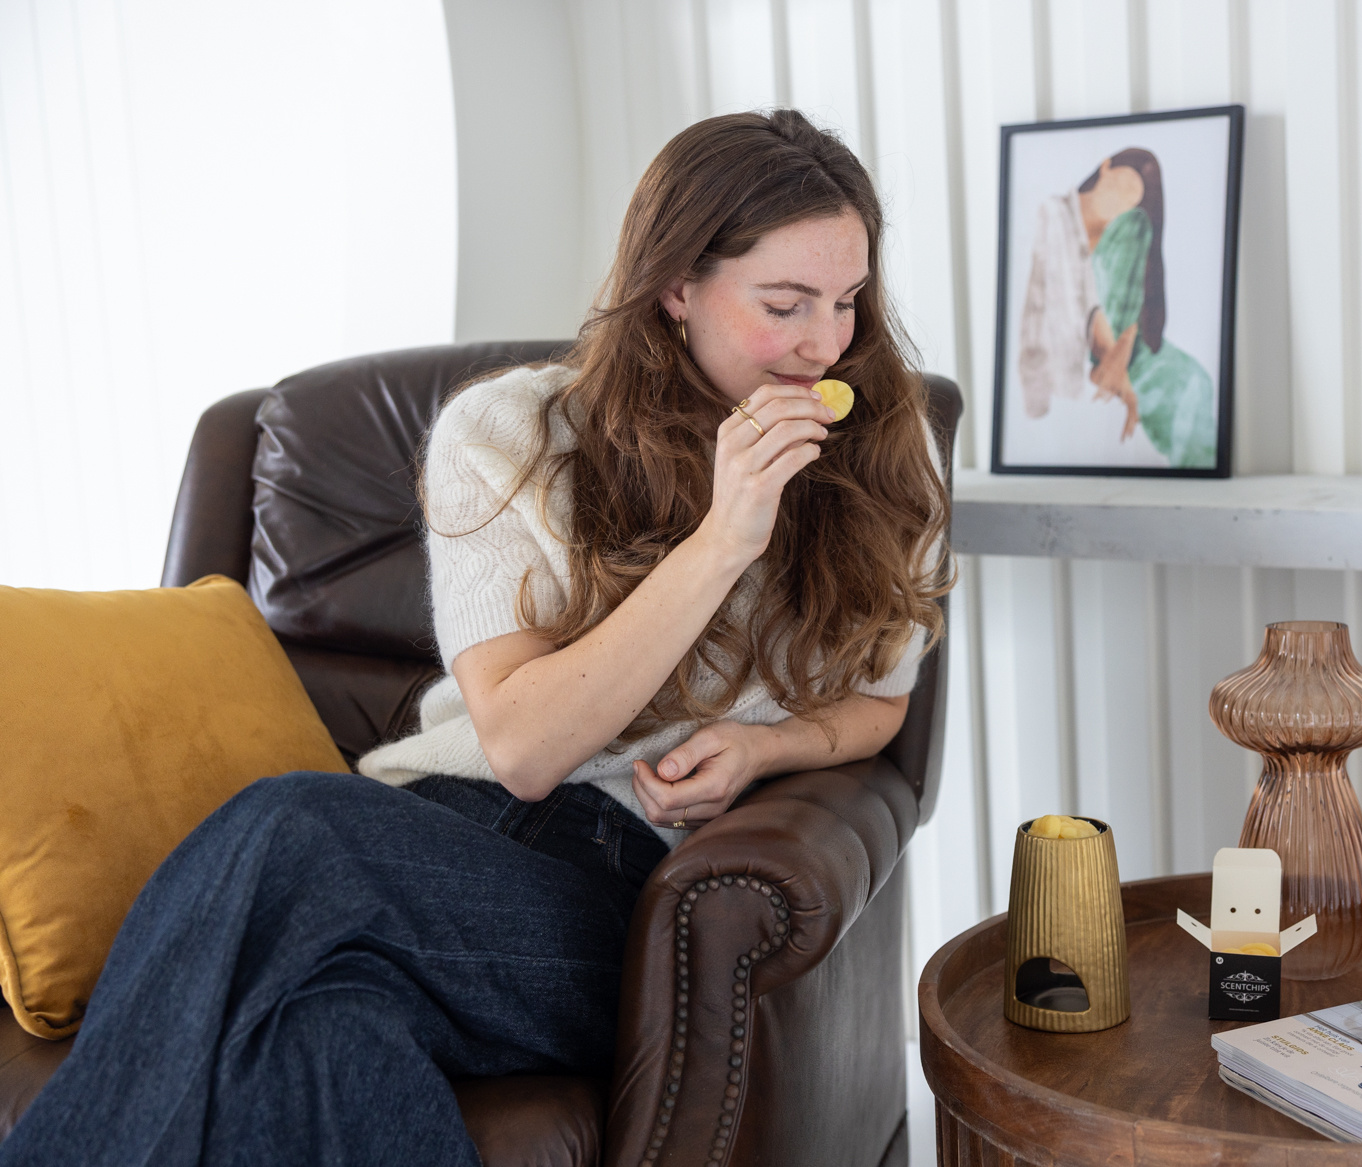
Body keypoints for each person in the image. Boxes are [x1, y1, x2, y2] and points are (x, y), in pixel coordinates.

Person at [0, 109, 950, 1166]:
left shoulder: (880, 449)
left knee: (285, 830)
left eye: (847, 302)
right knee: (324, 1032)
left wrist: (768, 746)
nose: (827, 344)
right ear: (677, 288)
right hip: (429, 830)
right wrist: (719, 541)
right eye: (786, 305)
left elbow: (884, 698)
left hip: (618, 891)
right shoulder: (512, 435)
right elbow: (522, 747)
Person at [1016, 147, 1216, 467]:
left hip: (1118, 348)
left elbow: (1100, 305)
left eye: (1130, 200)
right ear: (1105, 168)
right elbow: (1072, 307)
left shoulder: (1127, 230)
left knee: (1194, 381)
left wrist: (1119, 352)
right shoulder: (1053, 215)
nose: (1120, 203)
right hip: (1077, 364)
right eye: (1121, 187)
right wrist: (1113, 360)